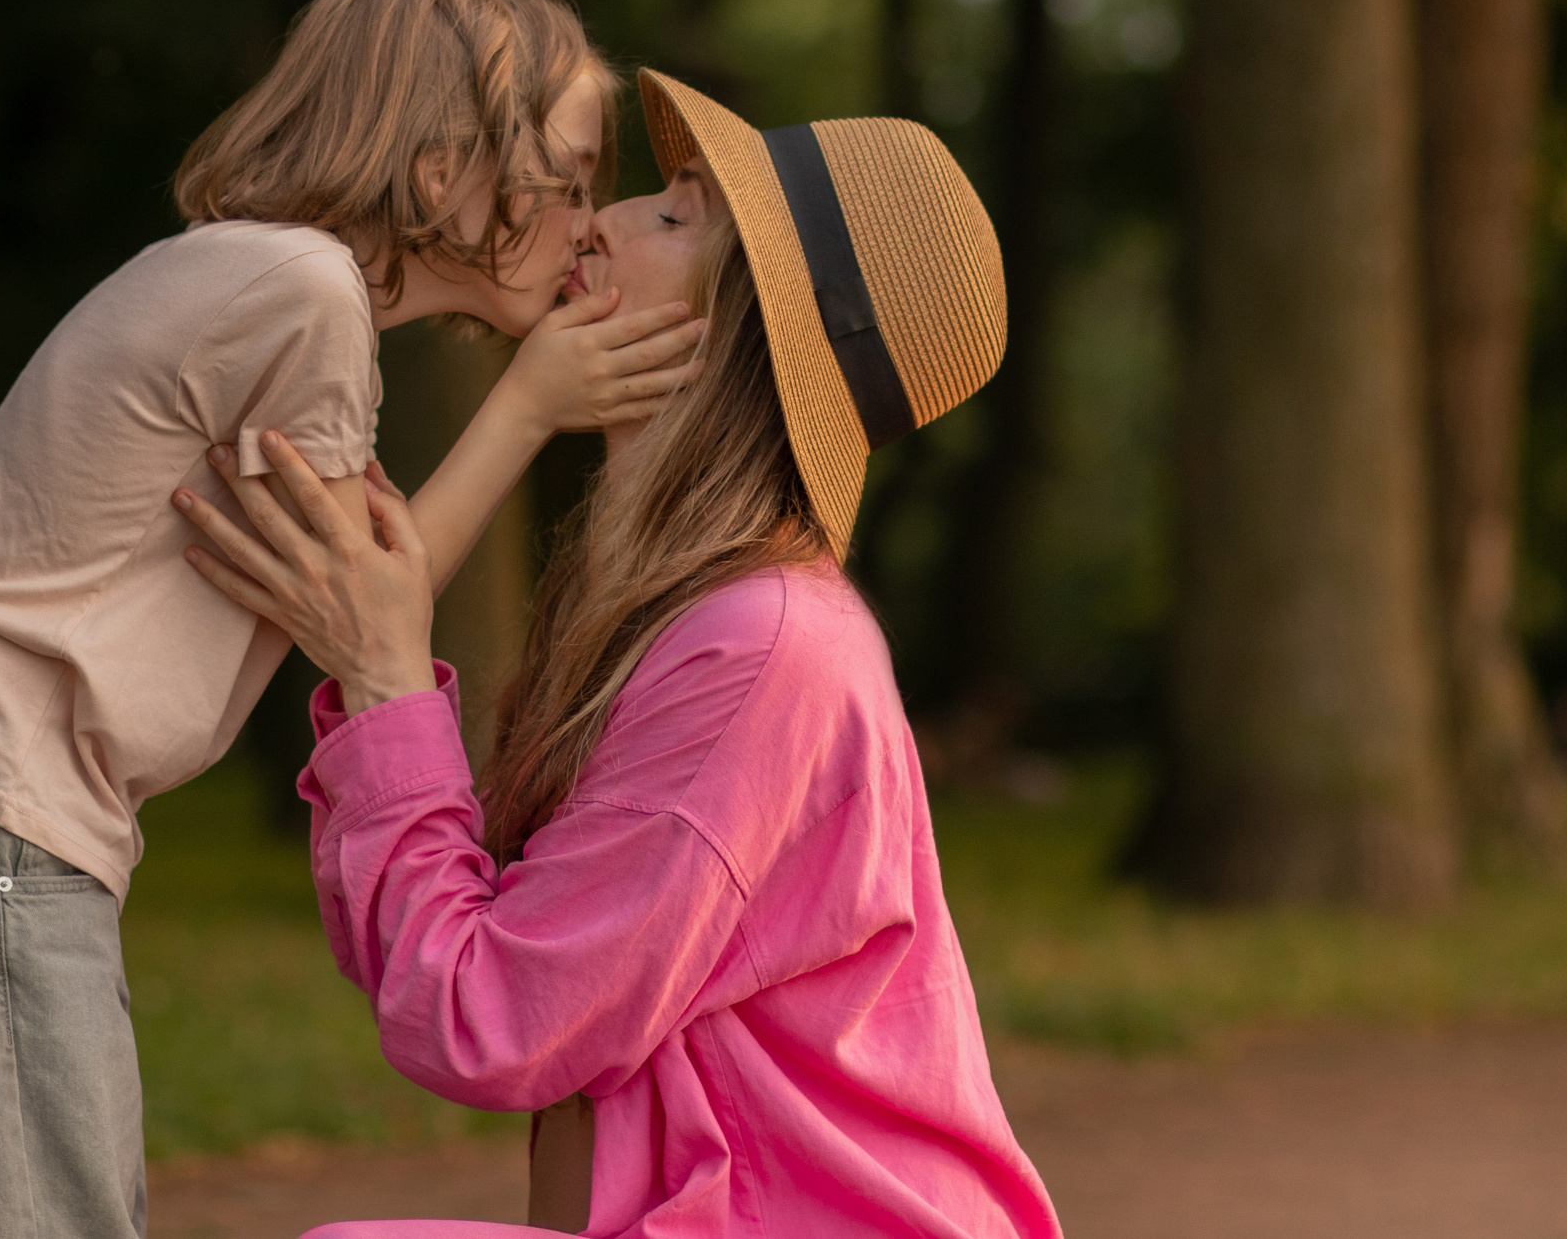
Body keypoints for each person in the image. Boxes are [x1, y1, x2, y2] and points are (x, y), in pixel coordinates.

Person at [0, 0, 706, 1239]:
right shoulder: (302, 294)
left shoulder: (271, 287)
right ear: (443, 172)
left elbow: (360, 588)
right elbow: (368, 603)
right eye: (563, 177)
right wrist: (526, 410)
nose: (583, 220)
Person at [174, 69, 1066, 1238]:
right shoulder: (682, 612)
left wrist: (389, 678)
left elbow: (488, 1021)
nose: (598, 217)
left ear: (735, 328)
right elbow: (434, 965)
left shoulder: (760, 652)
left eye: (677, 214)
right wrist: (372, 677)